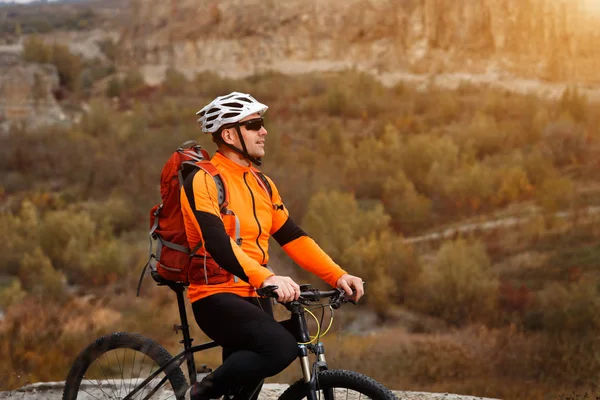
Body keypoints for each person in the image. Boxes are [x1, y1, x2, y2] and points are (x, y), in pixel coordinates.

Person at [180, 92, 364, 400]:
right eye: (254, 124)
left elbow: (293, 237)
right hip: (215, 295)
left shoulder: (261, 183)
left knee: (257, 376)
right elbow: (217, 243)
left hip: (255, 294)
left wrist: (337, 275)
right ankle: (198, 394)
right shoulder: (203, 180)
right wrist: (267, 277)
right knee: (278, 348)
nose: (264, 131)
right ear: (228, 134)